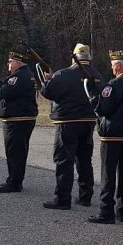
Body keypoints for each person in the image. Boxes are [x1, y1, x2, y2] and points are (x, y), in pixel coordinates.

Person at [40, 43, 103, 210]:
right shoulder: (97, 75)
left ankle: (62, 198)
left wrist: (47, 81)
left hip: (67, 122)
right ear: (88, 57)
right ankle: (85, 196)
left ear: (73, 57)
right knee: (84, 160)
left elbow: (47, 92)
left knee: (64, 161)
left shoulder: (64, 74)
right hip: (88, 121)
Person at [86, 49, 123, 224]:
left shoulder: (113, 85)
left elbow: (103, 108)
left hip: (112, 135)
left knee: (108, 174)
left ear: (118, 65)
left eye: (113, 65)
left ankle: (106, 211)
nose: (112, 69)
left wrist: (93, 97)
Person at [0, 49, 38, 193]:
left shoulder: (18, 77)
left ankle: (14, 182)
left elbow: (5, 92)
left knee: (14, 151)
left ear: (17, 63)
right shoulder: (26, 75)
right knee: (19, 151)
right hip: (23, 117)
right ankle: (15, 180)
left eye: (10, 61)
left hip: (17, 119)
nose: (8, 64)